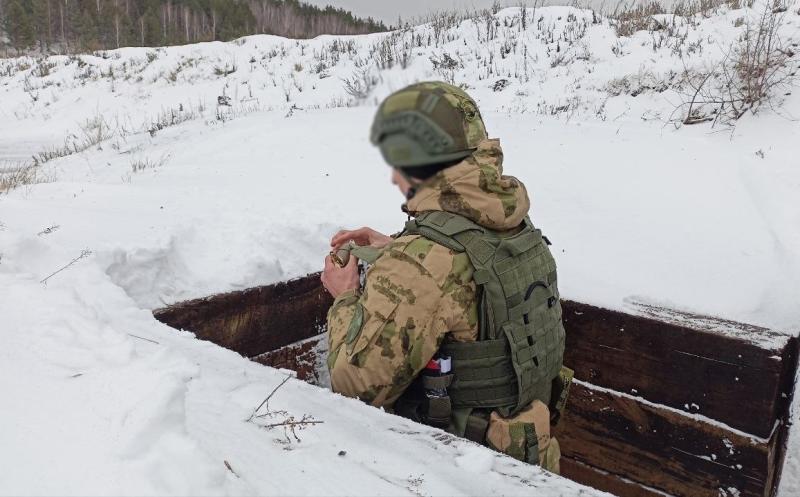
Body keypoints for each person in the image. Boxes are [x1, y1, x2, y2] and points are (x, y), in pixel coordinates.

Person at [321, 81, 567, 472]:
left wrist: (345, 296)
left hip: (460, 473)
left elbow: (355, 387)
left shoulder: (427, 264)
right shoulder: (511, 220)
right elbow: (468, 274)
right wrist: (399, 249)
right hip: (532, 463)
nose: (394, 177)